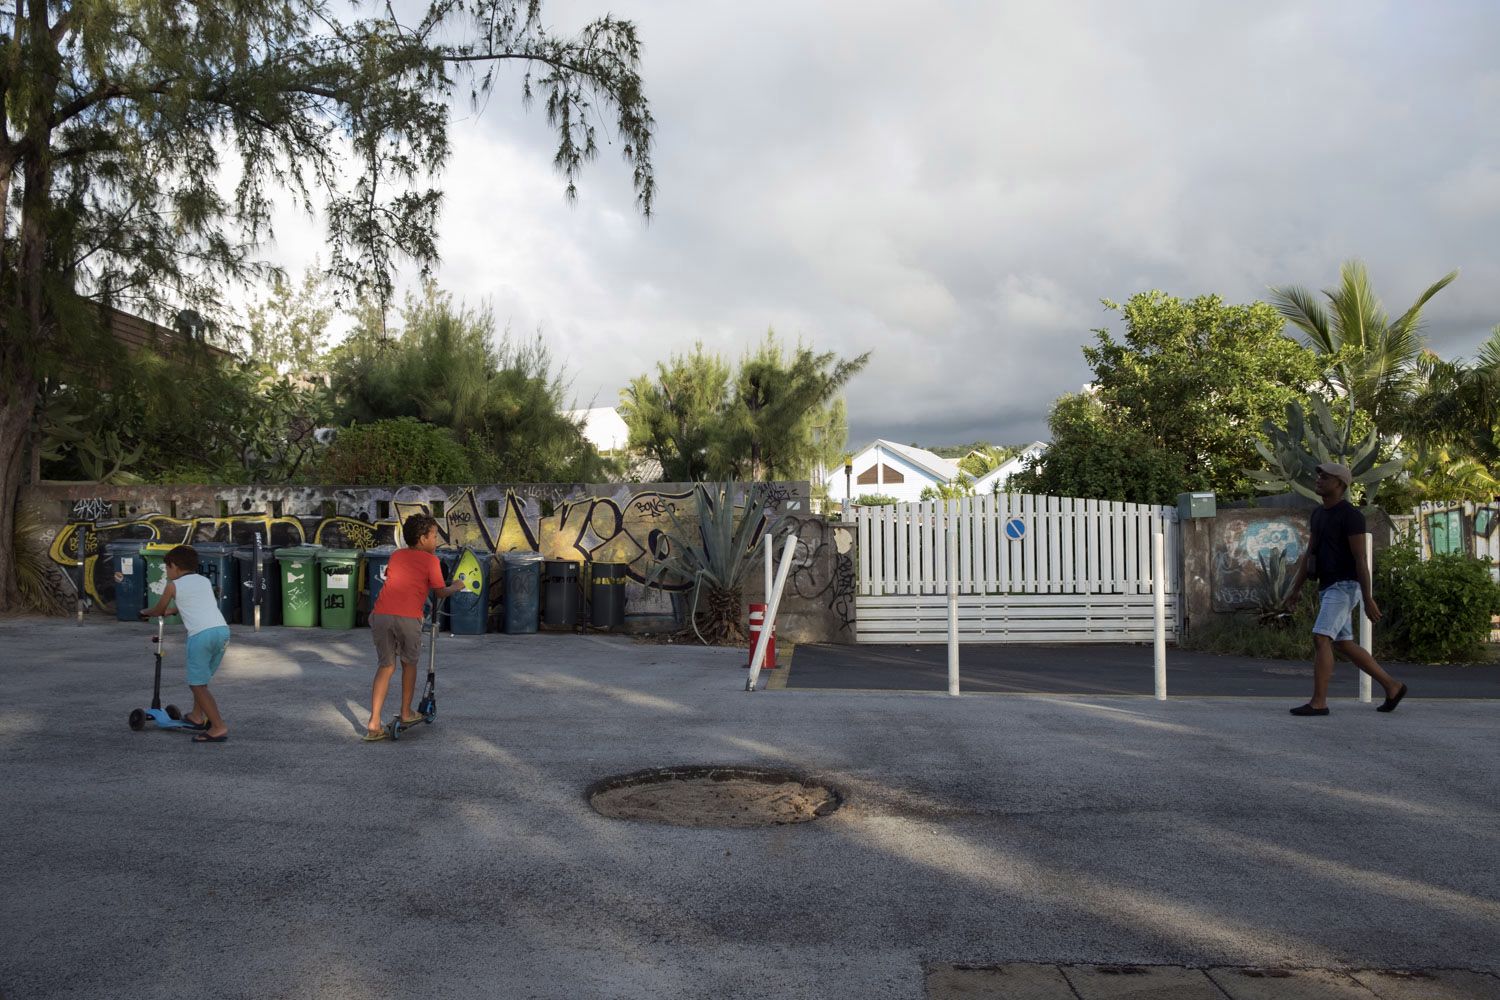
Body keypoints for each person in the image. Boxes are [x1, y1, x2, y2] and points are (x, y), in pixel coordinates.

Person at [1285, 462, 1408, 716]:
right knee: (1344, 643)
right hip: (1327, 585)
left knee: (1321, 637)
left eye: (1325, 477)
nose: (1318, 480)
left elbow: (1361, 559)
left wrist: (1367, 598)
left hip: (1344, 586)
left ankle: (1319, 702)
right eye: (1318, 475)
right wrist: (1295, 588)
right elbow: (1311, 553)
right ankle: (1392, 686)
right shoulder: (1318, 514)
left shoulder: (1351, 516)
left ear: (1340, 484)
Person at [363, 514, 465, 741]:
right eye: (434, 536)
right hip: (407, 617)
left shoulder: (397, 555)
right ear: (422, 539)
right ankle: (406, 712)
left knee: (386, 666)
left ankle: (374, 722)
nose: (436, 541)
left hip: (380, 614)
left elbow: (398, 579)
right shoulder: (431, 561)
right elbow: (440, 591)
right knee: (409, 664)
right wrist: (457, 586)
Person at [139, 544, 232, 743]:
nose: (167, 572)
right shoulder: (204, 581)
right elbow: (192, 604)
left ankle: (218, 726)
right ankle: (197, 716)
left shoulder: (173, 586)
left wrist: (146, 612)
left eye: (167, 568)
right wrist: (173, 610)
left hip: (201, 636)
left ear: (174, 566)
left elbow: (158, 609)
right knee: (202, 680)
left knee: (196, 685)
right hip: (222, 631)